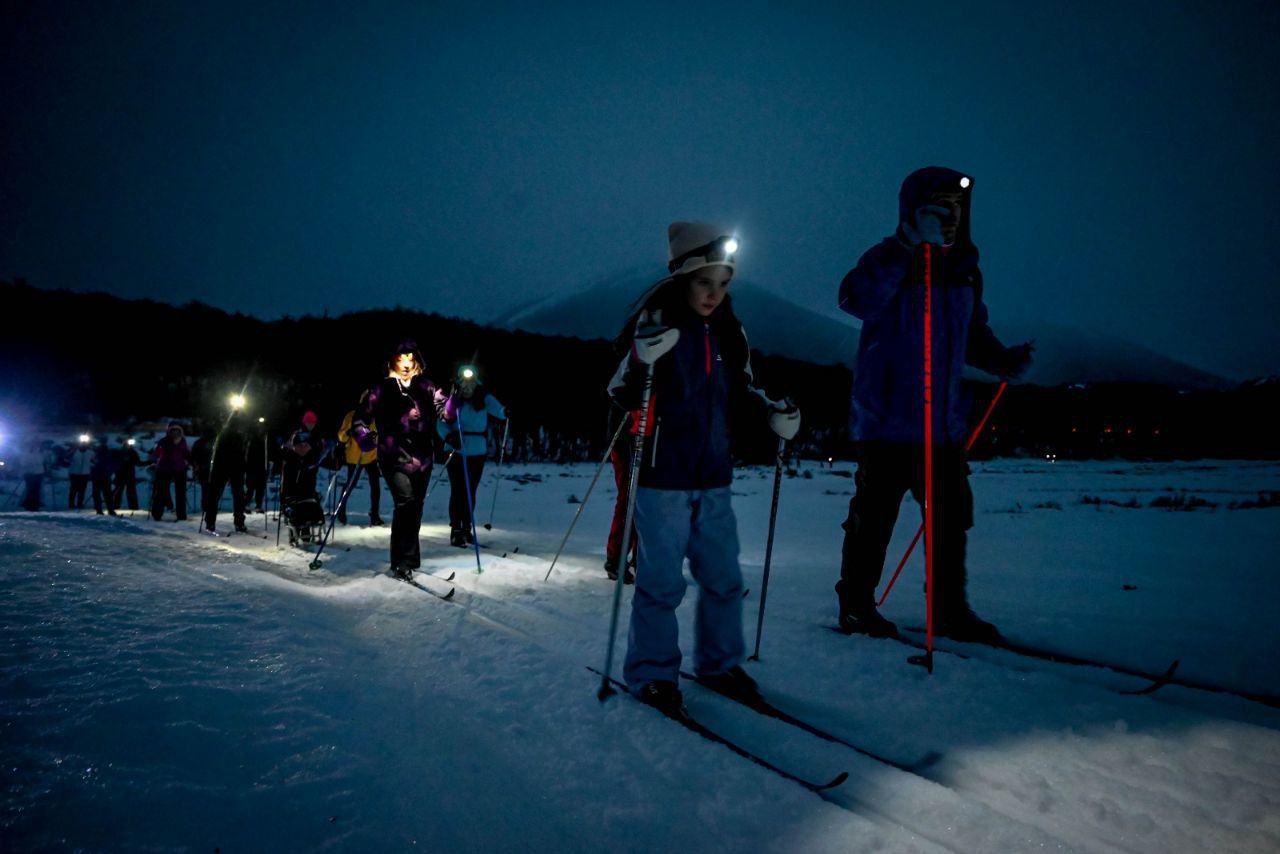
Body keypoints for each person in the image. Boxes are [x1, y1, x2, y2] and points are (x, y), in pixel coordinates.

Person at [607, 222, 801, 714]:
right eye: (704, 282)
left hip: (714, 474)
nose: (715, 294)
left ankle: (719, 663)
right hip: (661, 476)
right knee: (661, 581)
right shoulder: (654, 322)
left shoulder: (730, 330)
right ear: (682, 278)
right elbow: (619, 389)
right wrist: (640, 357)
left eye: (724, 283)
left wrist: (773, 416)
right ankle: (652, 673)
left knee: (723, 578)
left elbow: (742, 390)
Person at [834, 166, 1034, 644]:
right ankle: (857, 606)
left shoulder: (964, 268)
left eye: (958, 206)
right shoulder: (889, 257)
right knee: (874, 517)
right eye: (939, 206)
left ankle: (947, 610)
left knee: (950, 515)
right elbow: (856, 299)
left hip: (941, 425)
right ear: (913, 210)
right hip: (886, 422)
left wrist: (1002, 361)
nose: (950, 214)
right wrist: (906, 246)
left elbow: (971, 336)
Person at [350, 340, 440, 581]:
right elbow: (359, 420)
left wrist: (453, 403)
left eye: (410, 360)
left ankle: (410, 558)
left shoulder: (427, 386)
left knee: (416, 507)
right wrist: (363, 436)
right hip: (393, 454)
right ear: (392, 362)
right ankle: (399, 561)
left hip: (423, 457)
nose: (406, 365)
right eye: (401, 360)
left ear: (417, 362)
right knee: (406, 503)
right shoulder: (381, 389)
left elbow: (445, 410)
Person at [436, 365, 507, 547]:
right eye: (465, 380)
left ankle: (467, 527)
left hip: (477, 450)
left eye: (472, 380)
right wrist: (449, 436)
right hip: (456, 449)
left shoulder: (482, 396)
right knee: (458, 489)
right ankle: (456, 529)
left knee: (470, 490)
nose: (469, 385)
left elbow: (498, 409)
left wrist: (505, 412)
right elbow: (441, 421)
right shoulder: (451, 396)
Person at [603, 407, 637, 583]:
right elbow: (617, 390)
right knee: (629, 499)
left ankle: (641, 559)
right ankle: (616, 559)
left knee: (645, 501)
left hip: (650, 439)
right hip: (626, 439)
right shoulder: (624, 379)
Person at [336, 402, 383, 526]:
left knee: (375, 486)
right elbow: (341, 437)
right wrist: (348, 433)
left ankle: (375, 514)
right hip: (355, 458)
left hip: (371, 456)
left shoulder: (374, 417)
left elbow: (379, 435)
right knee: (350, 484)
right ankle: (341, 511)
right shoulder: (351, 416)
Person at [203, 409, 249, 535]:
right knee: (234, 496)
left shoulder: (226, 433)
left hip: (226, 468)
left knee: (218, 495)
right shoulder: (232, 433)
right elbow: (239, 454)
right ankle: (237, 522)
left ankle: (211, 521)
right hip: (227, 467)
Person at [149, 422, 192, 521]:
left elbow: (186, 453)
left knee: (180, 493)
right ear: (169, 432)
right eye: (173, 431)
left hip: (180, 469)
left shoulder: (183, 441)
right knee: (161, 491)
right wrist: (156, 461)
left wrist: (192, 463)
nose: (175, 433)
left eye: (177, 431)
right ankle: (157, 513)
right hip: (165, 469)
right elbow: (157, 453)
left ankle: (181, 515)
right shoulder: (164, 441)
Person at [17, 437, 48, 511]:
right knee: (31, 489)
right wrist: (30, 464)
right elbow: (23, 462)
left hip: (39, 473)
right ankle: (30, 504)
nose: (37, 445)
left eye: (38, 443)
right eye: (35, 443)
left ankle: (35, 504)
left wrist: (46, 468)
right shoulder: (27, 452)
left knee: (37, 489)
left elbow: (44, 462)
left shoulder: (42, 452)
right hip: (29, 473)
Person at [112, 437, 144, 511]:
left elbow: (137, 462)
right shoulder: (118, 452)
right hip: (120, 475)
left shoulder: (132, 452)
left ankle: (133, 507)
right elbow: (114, 462)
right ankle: (115, 506)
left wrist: (146, 462)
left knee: (131, 491)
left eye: (127, 444)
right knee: (118, 491)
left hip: (130, 475)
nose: (126, 445)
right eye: (125, 443)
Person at [90, 435, 119, 516]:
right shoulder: (104, 451)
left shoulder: (102, 452)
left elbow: (111, 464)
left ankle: (103, 510)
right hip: (101, 476)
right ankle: (106, 510)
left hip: (102, 475)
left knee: (102, 494)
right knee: (104, 494)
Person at [67, 434, 94, 509]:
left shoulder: (90, 452)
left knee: (82, 490)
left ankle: (80, 503)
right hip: (74, 473)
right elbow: (67, 458)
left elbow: (94, 461)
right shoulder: (74, 451)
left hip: (85, 473)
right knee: (73, 489)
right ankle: (71, 503)